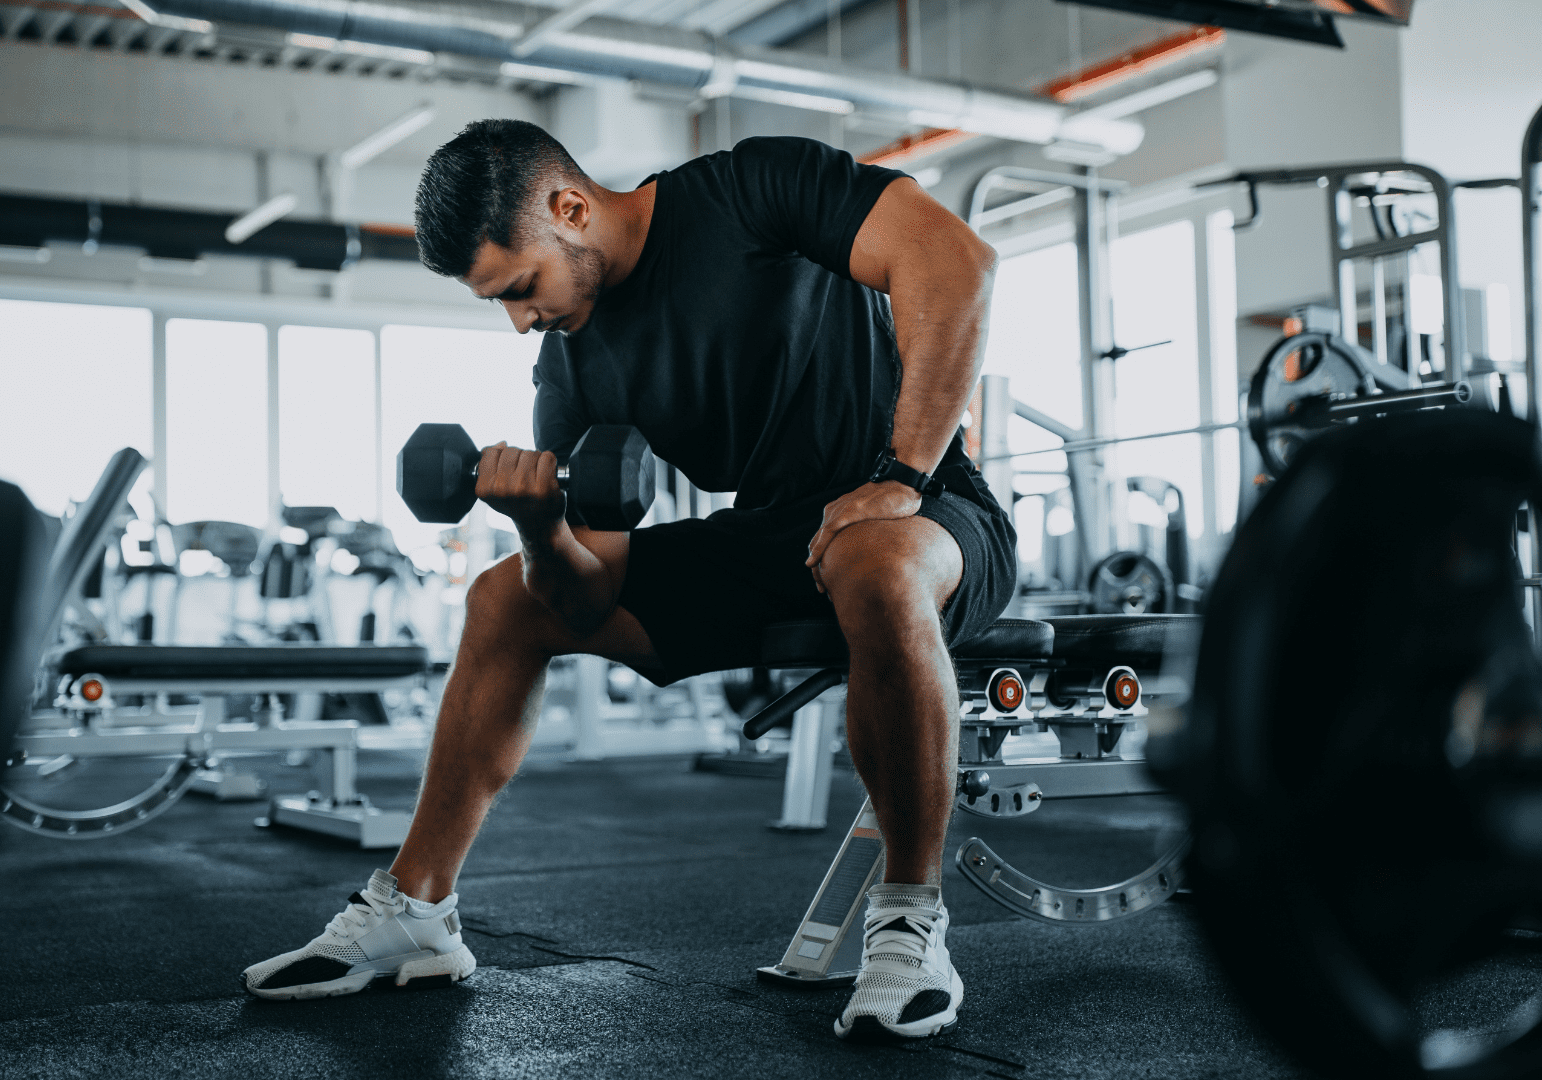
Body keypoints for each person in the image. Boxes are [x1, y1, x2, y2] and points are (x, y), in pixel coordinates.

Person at [243, 119, 1015, 1042]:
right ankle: (416, 911)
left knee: (875, 558)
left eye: (521, 288)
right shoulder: (572, 368)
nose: (521, 320)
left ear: (570, 208)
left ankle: (907, 919)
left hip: (930, 510)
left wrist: (902, 472)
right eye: (502, 304)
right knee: (502, 599)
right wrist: (538, 529)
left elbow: (954, 257)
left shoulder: (751, 190)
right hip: (771, 539)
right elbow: (587, 598)